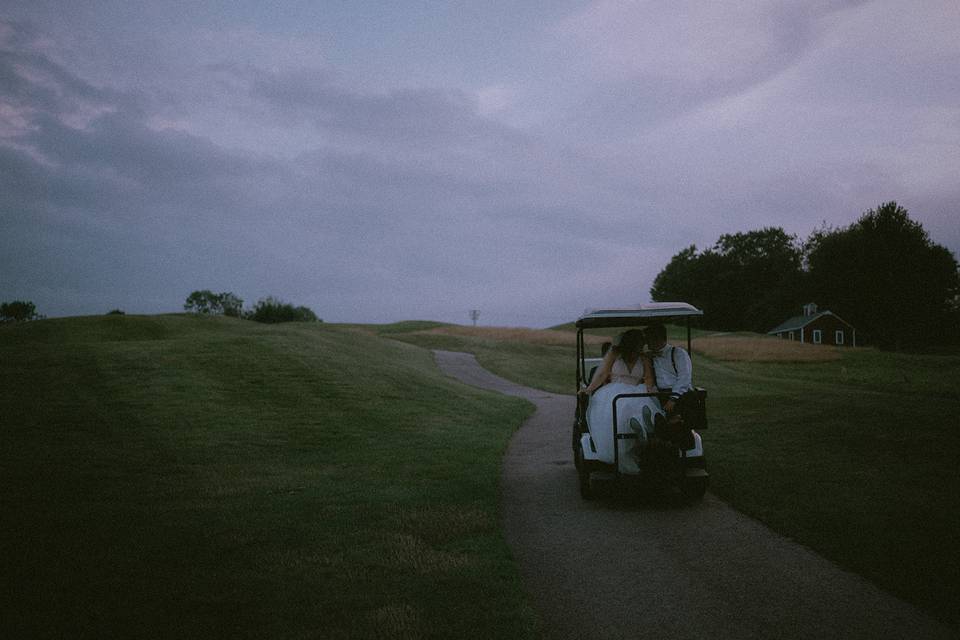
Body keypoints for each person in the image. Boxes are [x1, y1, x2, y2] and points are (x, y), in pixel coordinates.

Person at [577, 329, 661, 468]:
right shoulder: (614, 354)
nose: (642, 347)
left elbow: (648, 378)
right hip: (615, 390)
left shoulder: (643, 358)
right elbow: (603, 374)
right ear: (631, 343)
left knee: (642, 402)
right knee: (621, 406)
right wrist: (589, 389)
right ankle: (638, 426)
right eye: (639, 344)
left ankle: (643, 426)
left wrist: (650, 391)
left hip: (636, 389)